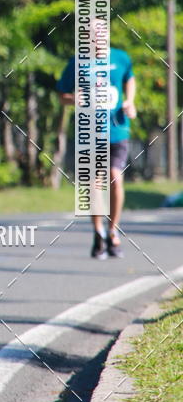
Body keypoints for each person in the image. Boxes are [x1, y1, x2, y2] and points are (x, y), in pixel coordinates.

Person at [57, 44, 136, 259]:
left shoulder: (121, 57)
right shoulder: (77, 62)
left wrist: (130, 101)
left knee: (115, 178)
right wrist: (73, 99)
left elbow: (130, 78)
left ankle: (113, 230)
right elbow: (62, 94)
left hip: (118, 130)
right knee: (95, 183)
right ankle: (98, 232)